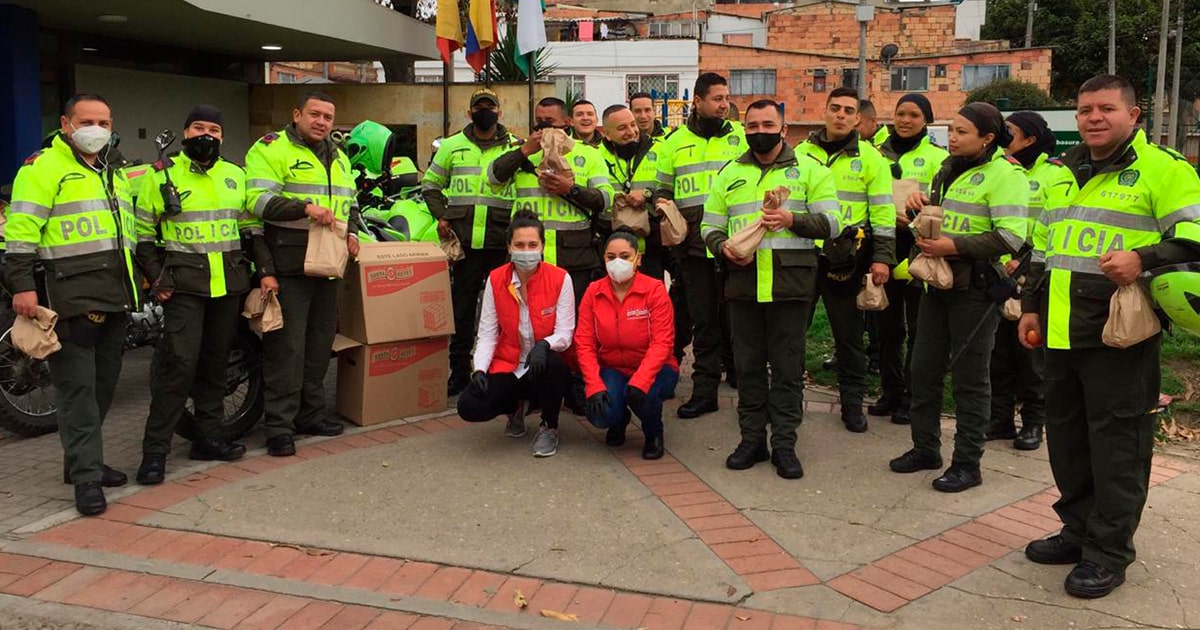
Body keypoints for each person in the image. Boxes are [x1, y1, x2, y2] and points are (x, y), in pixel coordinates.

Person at [1021, 75, 1200, 599]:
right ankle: (1077, 531)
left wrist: (1143, 258)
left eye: (1105, 109)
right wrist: (1029, 308)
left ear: (1134, 115)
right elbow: (1041, 248)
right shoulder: (1061, 173)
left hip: (1120, 335)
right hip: (1058, 330)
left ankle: (1109, 551)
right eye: (1084, 110)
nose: (1093, 118)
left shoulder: (1164, 171)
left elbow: (1193, 238)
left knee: (1118, 445)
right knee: (1070, 442)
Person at [6, 94, 138, 515]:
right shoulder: (43, 167)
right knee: (77, 390)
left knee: (102, 386)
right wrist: (22, 287)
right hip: (69, 296)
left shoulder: (112, 170)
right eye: (87, 120)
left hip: (115, 295)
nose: (96, 128)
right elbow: (21, 232)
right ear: (66, 123)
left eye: (104, 120)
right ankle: (85, 480)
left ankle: (83, 460)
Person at [889, 102, 1031, 492]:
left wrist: (952, 246)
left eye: (962, 131)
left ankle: (968, 463)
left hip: (976, 288)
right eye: (951, 129)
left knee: (970, 380)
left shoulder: (1006, 175)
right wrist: (918, 210)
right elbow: (941, 220)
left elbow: (1011, 237)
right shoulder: (947, 169)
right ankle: (925, 449)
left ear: (988, 138)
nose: (952, 137)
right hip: (937, 283)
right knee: (923, 369)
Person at [701, 99, 841, 478]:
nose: (759, 131)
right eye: (752, 125)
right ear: (744, 129)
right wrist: (723, 248)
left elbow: (832, 224)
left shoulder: (811, 170)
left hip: (790, 287)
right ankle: (751, 441)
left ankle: (784, 444)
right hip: (743, 286)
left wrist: (792, 219)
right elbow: (709, 226)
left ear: (783, 128)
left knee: (786, 369)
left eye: (767, 124)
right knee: (746, 368)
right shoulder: (730, 173)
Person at [133, 105, 263, 484]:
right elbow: (142, 237)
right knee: (178, 367)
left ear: (223, 137)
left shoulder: (235, 175)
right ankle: (154, 452)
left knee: (215, 364)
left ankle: (209, 437)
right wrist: (158, 279)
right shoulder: (162, 175)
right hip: (183, 288)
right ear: (185, 132)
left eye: (214, 129)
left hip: (228, 286)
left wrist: (260, 274)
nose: (206, 135)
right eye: (198, 127)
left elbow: (250, 229)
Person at [245, 91, 360, 457]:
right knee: (287, 350)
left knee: (318, 345)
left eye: (328, 116)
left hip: (329, 265)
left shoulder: (338, 157)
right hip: (289, 266)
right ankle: (279, 425)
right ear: (296, 114)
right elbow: (257, 202)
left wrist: (354, 231)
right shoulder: (270, 149)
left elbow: (350, 203)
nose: (322, 122)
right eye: (314, 114)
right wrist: (305, 207)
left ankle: (310, 415)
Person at [796, 87, 895, 432]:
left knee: (849, 337)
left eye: (848, 110)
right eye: (834, 108)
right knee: (793, 331)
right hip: (803, 255)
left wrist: (882, 258)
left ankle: (852, 403)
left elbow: (883, 213)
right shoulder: (800, 153)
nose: (840, 115)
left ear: (857, 119)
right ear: (824, 111)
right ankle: (789, 398)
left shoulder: (871, 159)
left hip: (848, 259)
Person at [655, 72, 746, 419]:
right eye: (718, 99)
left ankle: (741, 376)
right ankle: (704, 390)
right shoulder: (673, 143)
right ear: (698, 100)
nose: (725, 104)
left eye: (727, 98)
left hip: (735, 245)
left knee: (738, 318)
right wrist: (671, 221)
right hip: (693, 250)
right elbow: (662, 192)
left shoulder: (741, 138)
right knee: (705, 321)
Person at [423, 88, 521, 397]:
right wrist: (441, 215)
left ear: (499, 112)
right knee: (462, 310)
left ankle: (499, 367)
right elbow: (430, 185)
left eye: (489, 107)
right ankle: (460, 372)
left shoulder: (515, 147)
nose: (484, 112)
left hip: (500, 242)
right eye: (479, 107)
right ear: (469, 113)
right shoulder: (452, 145)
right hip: (464, 243)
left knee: (504, 310)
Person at [986, 111, 1075, 452]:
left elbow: (1054, 226)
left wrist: (1022, 261)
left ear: (1031, 139)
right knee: (998, 352)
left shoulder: (1055, 174)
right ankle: (1000, 419)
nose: (1003, 136)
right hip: (999, 271)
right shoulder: (1000, 168)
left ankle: (1034, 422)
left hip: (1032, 271)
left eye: (1010, 131)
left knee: (1031, 354)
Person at [457, 211, 575, 457]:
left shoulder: (560, 278)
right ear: (509, 247)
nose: (526, 250)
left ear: (542, 246)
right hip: (509, 364)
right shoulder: (496, 278)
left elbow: (565, 333)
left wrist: (545, 344)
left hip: (544, 365)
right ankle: (516, 408)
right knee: (469, 405)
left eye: (533, 244)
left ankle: (549, 426)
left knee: (552, 362)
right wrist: (478, 369)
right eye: (519, 245)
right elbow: (487, 333)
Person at [872, 94, 948, 425]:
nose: (905, 120)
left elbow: (944, 203)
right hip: (886, 248)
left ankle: (911, 395)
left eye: (914, 115)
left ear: (926, 120)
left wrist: (915, 220)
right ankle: (889, 390)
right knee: (885, 327)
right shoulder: (876, 155)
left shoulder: (939, 157)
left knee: (919, 328)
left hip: (920, 248)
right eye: (900, 113)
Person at [576, 229, 678, 459]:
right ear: (604, 259)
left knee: (646, 393)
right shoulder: (594, 292)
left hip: (655, 367)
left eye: (625, 256)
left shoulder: (654, 290)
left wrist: (640, 381)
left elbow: (663, 342)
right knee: (600, 411)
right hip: (613, 367)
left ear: (638, 259)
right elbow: (584, 342)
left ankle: (653, 432)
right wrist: (593, 385)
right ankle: (618, 420)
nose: (617, 262)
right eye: (611, 257)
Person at [598, 104, 666, 280]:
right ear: (606, 133)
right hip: (609, 243)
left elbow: (669, 188)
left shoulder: (660, 150)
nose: (631, 131)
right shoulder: (595, 155)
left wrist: (647, 194)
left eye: (632, 125)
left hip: (653, 244)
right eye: (622, 128)